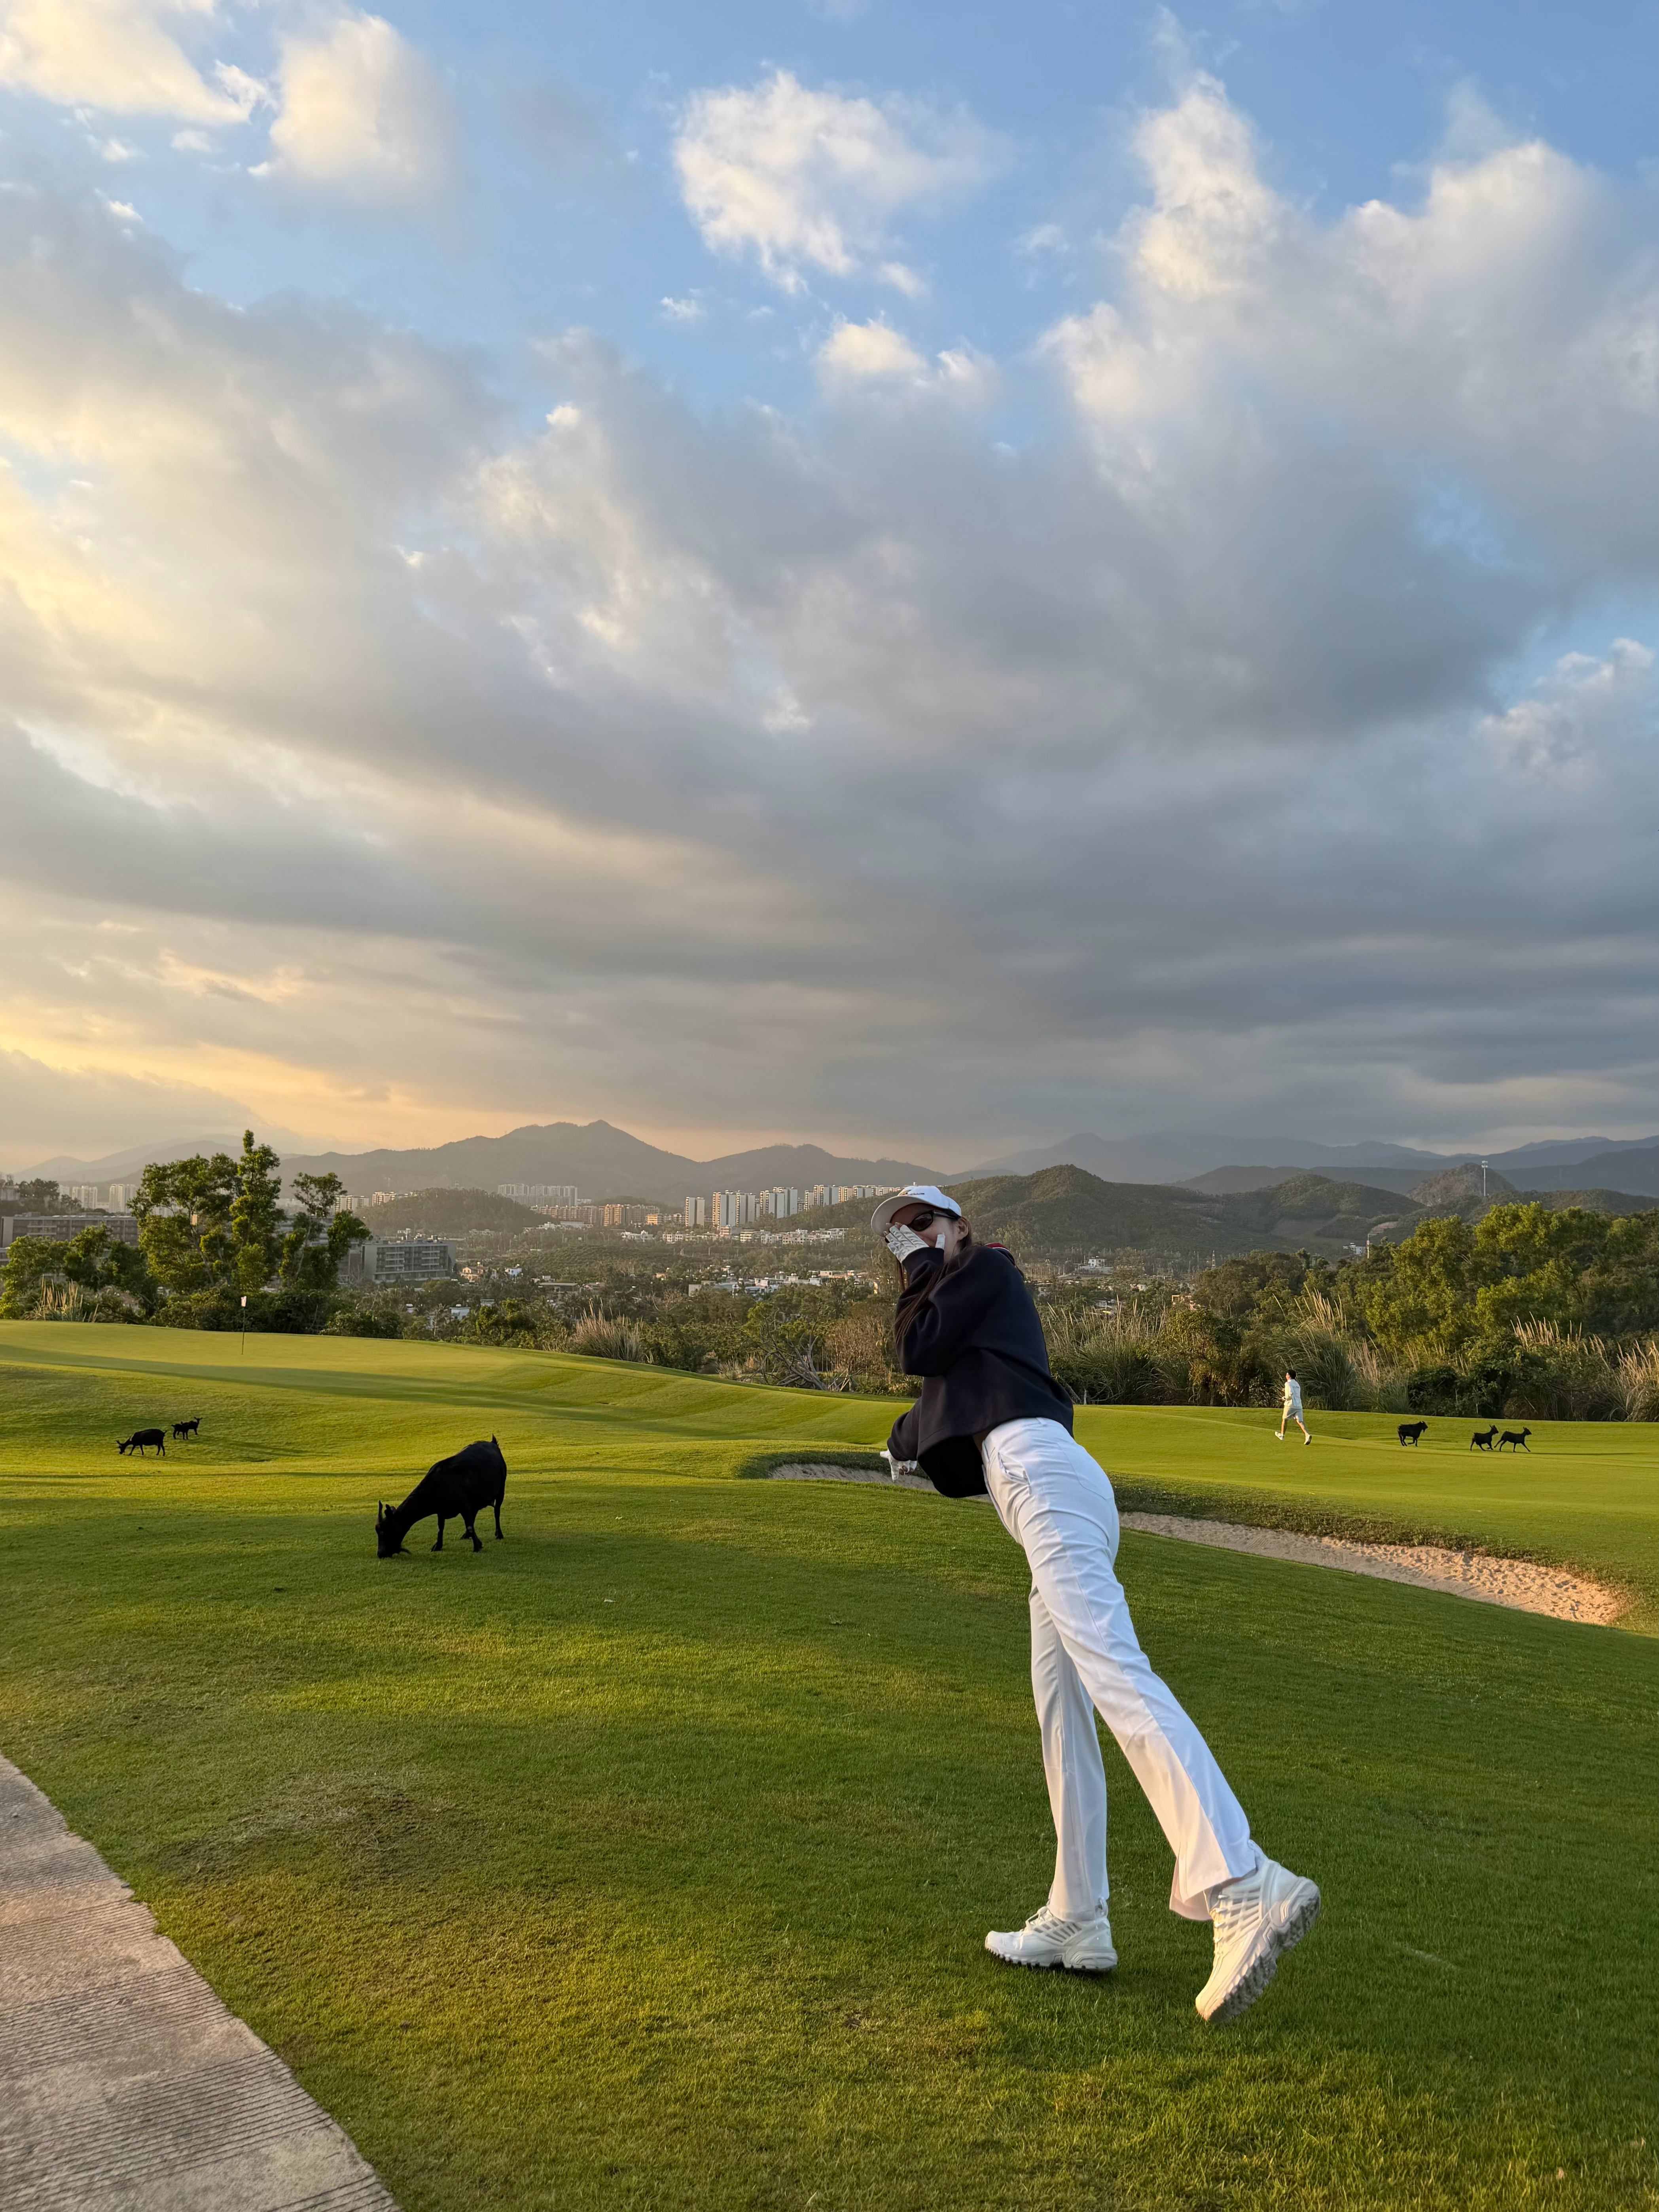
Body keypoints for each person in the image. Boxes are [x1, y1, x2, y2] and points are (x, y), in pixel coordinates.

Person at [874, 1184, 1320, 2025]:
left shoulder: (988, 1267)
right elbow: (926, 1395)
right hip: (1045, 1481)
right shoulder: (969, 1332)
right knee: (1062, 1708)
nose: (912, 1239)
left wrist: (924, 1267)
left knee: (1114, 1670)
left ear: (960, 1225)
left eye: (923, 1223)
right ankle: (1077, 1914)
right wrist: (899, 1439)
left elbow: (914, 1348)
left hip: (1040, 1476)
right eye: (899, 1235)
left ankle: (1240, 1877)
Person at [1278, 1367, 1312, 1445]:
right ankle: (1307, 1435)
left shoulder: (1288, 1384)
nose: (1286, 1376)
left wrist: (1285, 1398)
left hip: (1290, 1405)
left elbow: (1290, 1394)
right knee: (1300, 1421)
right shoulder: (1297, 1384)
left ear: (1289, 1376)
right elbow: (1293, 1392)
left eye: (1287, 1374)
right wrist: (1284, 1390)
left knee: (1285, 1419)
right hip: (1299, 1406)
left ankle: (1282, 1435)